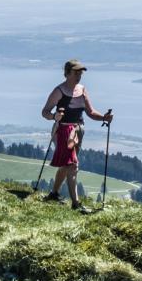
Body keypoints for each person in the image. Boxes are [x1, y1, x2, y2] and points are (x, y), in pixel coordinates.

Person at [41, 59, 113, 211]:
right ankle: (76, 203)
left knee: (66, 165)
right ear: (67, 73)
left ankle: (53, 194)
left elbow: (90, 112)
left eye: (81, 73)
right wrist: (55, 117)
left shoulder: (82, 89)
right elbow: (45, 112)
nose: (79, 75)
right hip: (63, 131)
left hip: (78, 130)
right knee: (73, 165)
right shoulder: (58, 91)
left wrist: (104, 118)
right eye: (76, 72)